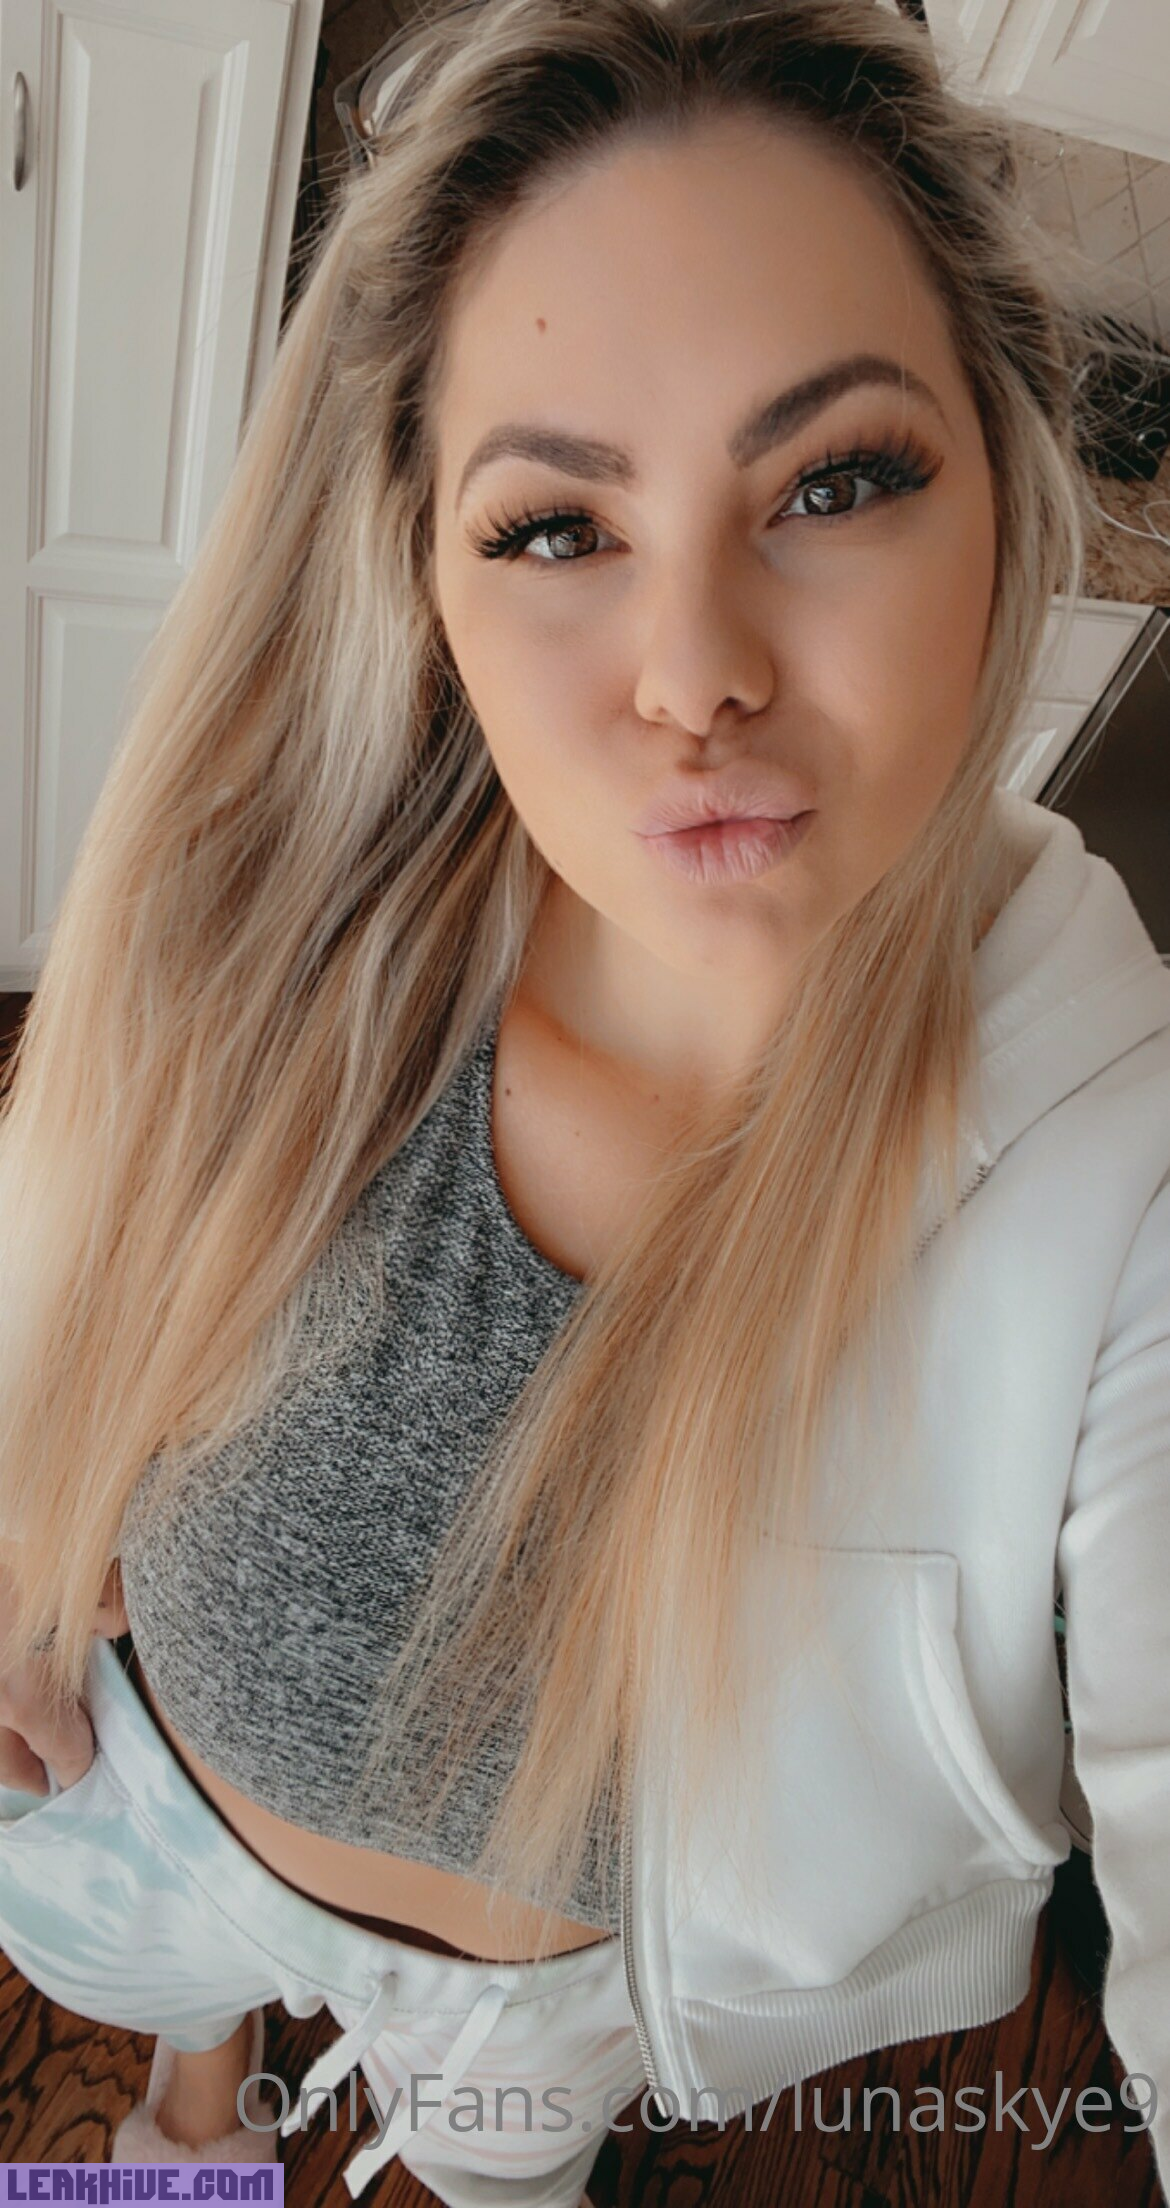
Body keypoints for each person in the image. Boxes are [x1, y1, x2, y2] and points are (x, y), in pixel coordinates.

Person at [1, 2, 1167, 2204]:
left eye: (834, 483)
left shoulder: (1130, 1191)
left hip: (539, 2032)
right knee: (178, 2048)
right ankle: (189, 2106)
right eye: (554, 527)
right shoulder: (254, 915)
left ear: (1008, 502)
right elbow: (50, 1260)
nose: (695, 672)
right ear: (424, 580)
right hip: (148, 1832)